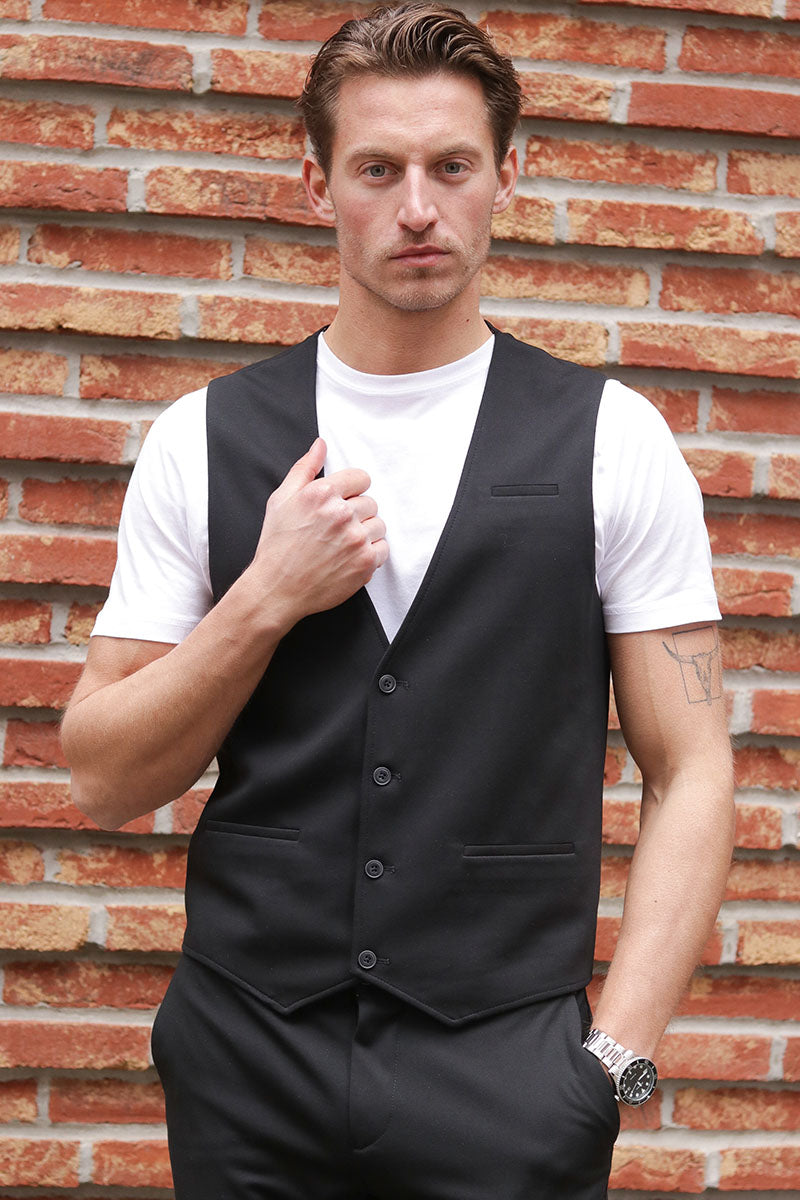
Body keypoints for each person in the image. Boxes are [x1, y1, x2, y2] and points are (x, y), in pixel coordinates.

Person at [61, 4, 735, 1197]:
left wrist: (611, 1066)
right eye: (377, 169)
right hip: (247, 1064)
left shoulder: (610, 441)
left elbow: (691, 770)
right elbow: (102, 776)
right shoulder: (202, 438)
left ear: (505, 176)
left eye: (450, 167)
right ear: (316, 184)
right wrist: (264, 598)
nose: (416, 207)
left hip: (506, 1077)